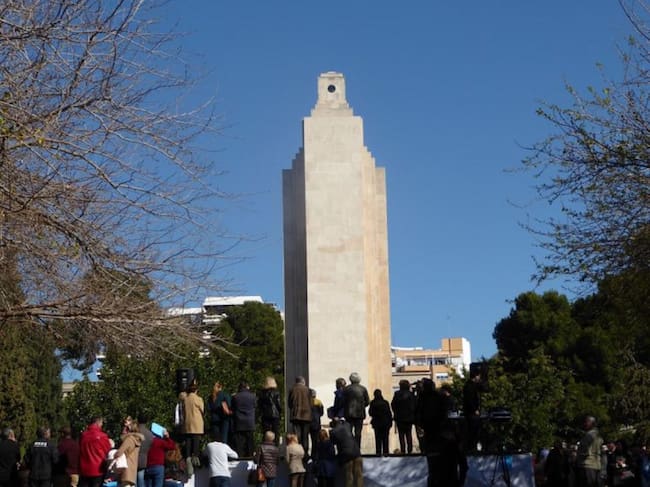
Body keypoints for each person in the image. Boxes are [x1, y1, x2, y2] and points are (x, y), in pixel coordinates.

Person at [79, 417, 112, 487]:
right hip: (98, 469)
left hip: (84, 469)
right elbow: (107, 450)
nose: (102, 425)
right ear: (98, 423)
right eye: (102, 423)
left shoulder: (83, 435)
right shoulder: (102, 436)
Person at [330, 420, 362, 487]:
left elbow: (333, 443)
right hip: (356, 452)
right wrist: (340, 420)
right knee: (358, 475)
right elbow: (346, 422)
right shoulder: (347, 426)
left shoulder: (333, 432)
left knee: (349, 476)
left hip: (346, 455)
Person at [342, 373, 370, 449]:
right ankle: (357, 448)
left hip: (349, 414)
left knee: (349, 433)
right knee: (358, 433)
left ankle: (350, 448)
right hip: (359, 414)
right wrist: (362, 406)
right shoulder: (363, 389)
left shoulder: (346, 389)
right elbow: (367, 401)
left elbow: (342, 401)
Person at [575, 416, 603, 487]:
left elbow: (585, 451)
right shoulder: (598, 435)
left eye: (586, 422)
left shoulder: (589, 435)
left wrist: (577, 456)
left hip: (587, 464)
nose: (585, 424)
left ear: (592, 423)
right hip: (596, 465)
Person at [114, 420, 144, 487]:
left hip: (126, 468)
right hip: (132, 468)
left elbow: (120, 452)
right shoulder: (137, 440)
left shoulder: (129, 439)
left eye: (126, 427)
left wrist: (114, 455)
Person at [231, 382, 256, 457]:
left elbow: (232, 408)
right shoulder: (252, 396)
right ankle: (250, 456)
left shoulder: (235, 397)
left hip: (239, 421)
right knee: (250, 441)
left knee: (239, 442)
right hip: (249, 421)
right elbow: (255, 406)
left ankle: (240, 456)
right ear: (247, 387)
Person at [287, 377, 312, 456]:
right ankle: (305, 453)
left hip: (296, 415)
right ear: (303, 382)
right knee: (305, 436)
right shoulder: (308, 390)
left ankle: (298, 452)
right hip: (306, 415)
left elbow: (289, 403)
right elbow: (311, 403)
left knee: (297, 435)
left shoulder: (292, 390)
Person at [183, 382, 204, 468]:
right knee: (196, 442)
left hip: (187, 423)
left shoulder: (185, 399)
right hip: (196, 423)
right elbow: (202, 410)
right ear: (196, 390)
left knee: (188, 442)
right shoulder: (198, 399)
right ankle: (195, 461)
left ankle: (188, 459)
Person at [391, 380, 416, 454]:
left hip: (399, 417)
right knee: (409, 434)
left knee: (401, 435)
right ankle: (410, 450)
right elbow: (414, 405)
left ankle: (403, 450)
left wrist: (396, 412)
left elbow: (393, 404)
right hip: (409, 418)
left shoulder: (397, 393)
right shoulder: (411, 394)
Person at [257, 378, 282, 445]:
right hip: (275, 414)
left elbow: (259, 405)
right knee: (276, 432)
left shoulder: (262, 393)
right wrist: (280, 412)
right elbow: (278, 404)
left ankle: (266, 446)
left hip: (265, 415)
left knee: (266, 432)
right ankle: (276, 446)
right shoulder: (276, 392)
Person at [462, 372, 482, 451]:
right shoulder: (470, 386)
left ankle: (472, 448)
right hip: (472, 413)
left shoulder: (469, 385)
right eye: (478, 376)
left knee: (472, 432)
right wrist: (475, 410)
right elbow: (469, 400)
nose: (479, 378)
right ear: (475, 376)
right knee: (473, 432)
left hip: (470, 412)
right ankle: (472, 449)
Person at [368, 389, 392, 456]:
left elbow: (370, 413)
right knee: (385, 439)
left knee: (378, 440)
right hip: (385, 423)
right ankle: (386, 454)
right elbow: (389, 413)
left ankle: (378, 454)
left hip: (377, 424)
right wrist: (390, 423)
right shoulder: (385, 402)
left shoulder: (373, 403)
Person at [136, 416, 153, 487]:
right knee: (141, 479)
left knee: (133, 481)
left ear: (137, 421)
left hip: (134, 458)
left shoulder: (135, 432)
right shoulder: (150, 434)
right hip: (144, 459)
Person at [309, 389, 324, 459]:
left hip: (309, 423)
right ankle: (316, 455)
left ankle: (312, 454)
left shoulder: (307, 402)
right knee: (316, 440)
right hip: (317, 422)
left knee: (312, 439)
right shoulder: (319, 402)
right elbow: (321, 413)